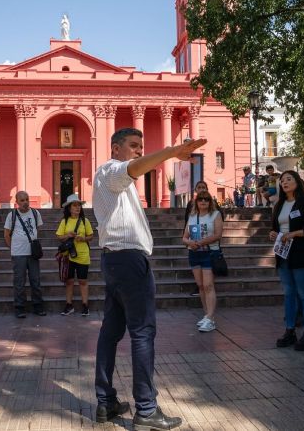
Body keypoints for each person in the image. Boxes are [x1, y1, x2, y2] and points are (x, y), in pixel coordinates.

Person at [93, 127, 205, 429]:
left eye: (141, 146)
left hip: (115, 260)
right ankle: (146, 409)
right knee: (142, 333)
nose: (139, 150)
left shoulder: (116, 182)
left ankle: (105, 402)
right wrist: (170, 152)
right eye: (133, 145)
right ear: (115, 149)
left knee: (111, 332)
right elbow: (133, 167)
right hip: (128, 260)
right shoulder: (111, 170)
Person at [268, 170, 304, 351]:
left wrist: (293, 234)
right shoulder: (279, 204)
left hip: (301, 252)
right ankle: (289, 331)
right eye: (282, 181)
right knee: (289, 293)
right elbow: (276, 227)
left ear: (298, 182)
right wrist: (273, 234)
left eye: (289, 179)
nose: (284, 183)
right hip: (283, 254)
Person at [181, 190, 223, 332]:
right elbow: (184, 237)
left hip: (210, 252)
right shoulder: (192, 216)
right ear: (196, 202)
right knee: (200, 286)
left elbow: (218, 235)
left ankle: (211, 318)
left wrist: (201, 242)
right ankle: (206, 315)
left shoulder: (215, 215)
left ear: (210, 201)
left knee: (208, 285)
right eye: (200, 199)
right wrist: (190, 243)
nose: (203, 201)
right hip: (194, 253)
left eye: (206, 199)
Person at [4, 191, 46, 318]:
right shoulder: (11, 215)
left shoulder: (35, 213)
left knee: (35, 280)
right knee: (19, 282)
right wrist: (13, 248)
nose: (25, 202)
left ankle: (38, 306)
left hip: (33, 253)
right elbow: (6, 234)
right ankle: (19, 307)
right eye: (22, 200)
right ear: (17, 202)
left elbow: (38, 229)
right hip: (18, 253)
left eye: (27, 199)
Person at [56, 194, 94, 316]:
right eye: (74, 205)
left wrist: (83, 238)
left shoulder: (85, 221)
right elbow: (59, 236)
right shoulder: (65, 221)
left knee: (82, 281)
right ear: (69, 208)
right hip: (68, 256)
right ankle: (69, 305)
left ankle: (85, 305)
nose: (77, 208)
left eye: (79, 205)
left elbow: (91, 236)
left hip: (83, 255)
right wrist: (68, 235)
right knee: (69, 281)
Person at [183, 181, 219, 297]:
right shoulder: (191, 205)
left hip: (210, 244)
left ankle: (209, 291)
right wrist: (188, 241)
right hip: (194, 243)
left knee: (208, 281)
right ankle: (200, 288)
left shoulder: (215, 208)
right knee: (201, 281)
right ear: (195, 190)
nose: (203, 201)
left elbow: (217, 228)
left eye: (203, 187)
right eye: (199, 187)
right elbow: (187, 222)